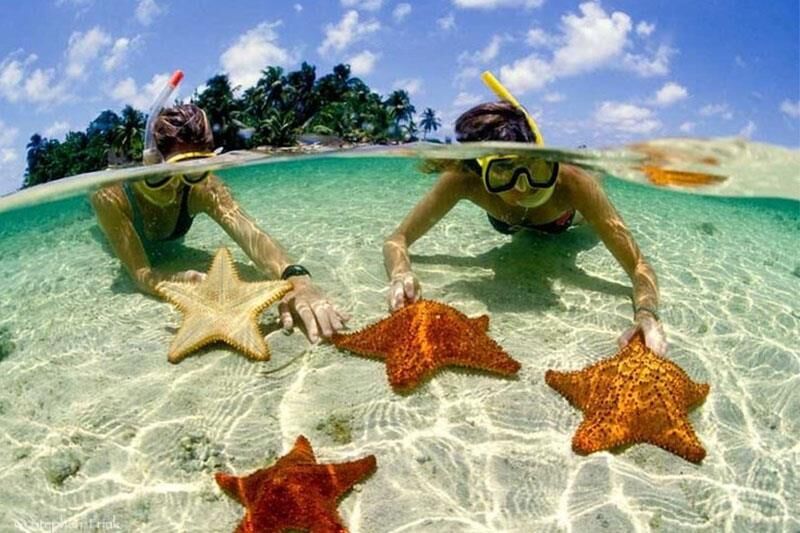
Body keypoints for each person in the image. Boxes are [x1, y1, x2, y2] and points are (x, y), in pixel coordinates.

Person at [383, 72, 667, 355]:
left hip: (567, 221)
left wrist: (646, 314)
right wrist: (400, 273)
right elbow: (397, 240)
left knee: (593, 188)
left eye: (532, 167)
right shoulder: (463, 179)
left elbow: (639, 266)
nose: (523, 186)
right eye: (503, 172)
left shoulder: (572, 183)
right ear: (480, 172)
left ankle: (597, 176)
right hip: (512, 223)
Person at [91, 103, 346, 343]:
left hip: (166, 240)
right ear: (149, 162)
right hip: (118, 228)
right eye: (166, 173)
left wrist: (295, 279)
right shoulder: (110, 197)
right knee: (99, 233)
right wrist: (179, 279)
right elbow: (141, 275)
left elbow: (252, 236)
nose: (177, 183)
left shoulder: (203, 188)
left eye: (193, 170)